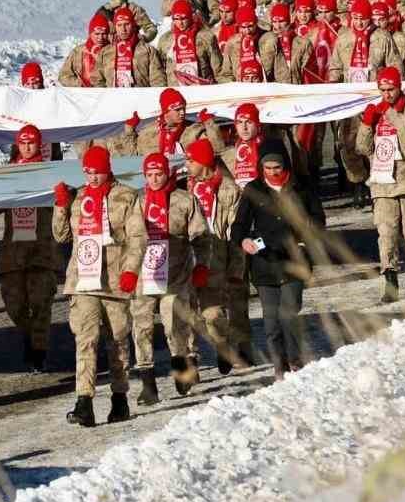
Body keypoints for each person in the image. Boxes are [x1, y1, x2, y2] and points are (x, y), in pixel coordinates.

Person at [51, 146, 143, 428]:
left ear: (108, 169)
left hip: (115, 282)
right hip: (83, 281)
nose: (91, 177)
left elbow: (138, 236)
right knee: (85, 339)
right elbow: (61, 236)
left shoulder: (127, 196)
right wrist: (61, 206)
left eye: (97, 171)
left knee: (117, 342)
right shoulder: (78, 197)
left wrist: (130, 271)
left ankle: (119, 398)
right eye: (87, 172)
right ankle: (84, 401)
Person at [229, 146, 324, 380]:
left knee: (289, 313)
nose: (271, 172)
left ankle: (295, 360)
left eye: (277, 168)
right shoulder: (254, 190)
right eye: (267, 168)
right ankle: (279, 367)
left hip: (295, 261)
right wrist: (244, 240)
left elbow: (318, 221)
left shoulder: (301, 187)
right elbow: (238, 225)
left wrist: (305, 238)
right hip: (264, 264)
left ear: (286, 167)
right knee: (271, 323)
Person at [127, 152, 209, 403]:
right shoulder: (137, 202)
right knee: (141, 328)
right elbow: (127, 238)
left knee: (174, 326)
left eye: (159, 174)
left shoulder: (184, 200)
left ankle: (182, 369)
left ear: (168, 173)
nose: (154, 179)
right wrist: (127, 269)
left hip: (176, 275)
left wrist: (202, 265)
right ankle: (148, 385)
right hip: (144, 274)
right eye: (149, 175)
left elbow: (201, 236)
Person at [356, 66, 405, 300]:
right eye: (383, 90)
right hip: (383, 182)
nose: (387, 94)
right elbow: (362, 148)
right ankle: (390, 280)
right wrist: (367, 124)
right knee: (386, 233)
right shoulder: (377, 110)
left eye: (391, 89)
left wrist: (393, 114)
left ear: (399, 87)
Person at [0, 124, 59, 372]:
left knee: (41, 302)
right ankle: (28, 335)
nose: (27, 147)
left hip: (41, 251)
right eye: (23, 142)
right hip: (14, 253)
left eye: (32, 143)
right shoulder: (10, 172)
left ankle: (38, 351)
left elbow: (64, 206)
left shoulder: (51, 173)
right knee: (14, 304)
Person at [182, 138, 244, 374]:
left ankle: (222, 345)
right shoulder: (186, 185)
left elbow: (236, 233)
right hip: (189, 256)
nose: (187, 164)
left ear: (204, 162)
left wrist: (236, 270)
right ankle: (191, 359)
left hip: (215, 257)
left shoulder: (228, 190)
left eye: (191, 160)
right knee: (187, 312)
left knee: (212, 313)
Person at [60, 13, 110, 88]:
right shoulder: (78, 52)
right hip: (82, 96)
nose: (100, 37)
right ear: (90, 33)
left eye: (104, 34)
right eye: (97, 34)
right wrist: (79, 84)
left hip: (105, 95)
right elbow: (63, 76)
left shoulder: (112, 51)